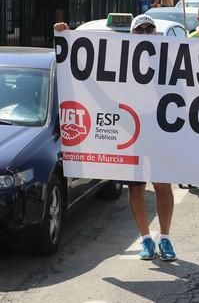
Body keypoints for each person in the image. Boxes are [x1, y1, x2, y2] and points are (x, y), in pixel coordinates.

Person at [53, 15, 178, 261]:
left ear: (155, 33)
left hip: (160, 134)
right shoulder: (118, 58)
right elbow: (89, 73)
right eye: (139, 29)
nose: (144, 33)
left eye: (148, 29)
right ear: (132, 34)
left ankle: (165, 238)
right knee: (136, 190)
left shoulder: (168, 60)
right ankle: (145, 239)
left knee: (163, 187)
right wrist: (66, 35)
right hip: (130, 136)